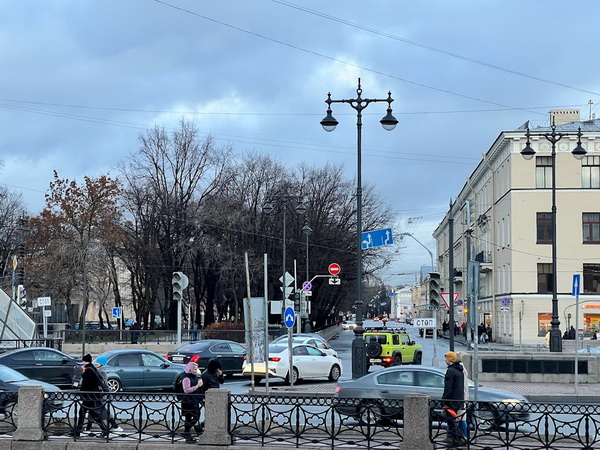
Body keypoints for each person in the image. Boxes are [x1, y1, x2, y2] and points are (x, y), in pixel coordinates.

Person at [82, 356, 123, 434]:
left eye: (98, 362)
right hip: (99, 394)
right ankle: (88, 427)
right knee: (93, 410)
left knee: (101, 411)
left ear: (101, 364)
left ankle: (115, 426)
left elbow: (104, 384)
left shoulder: (101, 371)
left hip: (101, 395)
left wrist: (107, 393)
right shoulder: (99, 370)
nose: (96, 363)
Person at [75, 354, 109, 437]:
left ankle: (104, 430)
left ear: (86, 361)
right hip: (91, 395)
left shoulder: (89, 370)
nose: (83, 362)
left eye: (83, 361)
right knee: (84, 412)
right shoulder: (92, 369)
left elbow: (87, 384)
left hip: (89, 396)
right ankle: (77, 431)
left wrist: (81, 392)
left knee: (91, 413)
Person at [442, 351, 465, 448]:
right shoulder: (460, 370)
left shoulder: (450, 371)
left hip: (451, 400)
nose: (445, 360)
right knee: (454, 420)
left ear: (450, 360)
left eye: (446, 358)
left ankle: (455, 441)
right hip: (458, 399)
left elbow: (448, 387)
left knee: (451, 421)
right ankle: (459, 438)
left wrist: (444, 401)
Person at [180, 360, 204, 443]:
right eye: (194, 369)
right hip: (188, 401)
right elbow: (186, 390)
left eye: (196, 369)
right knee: (191, 416)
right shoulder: (186, 378)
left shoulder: (195, 377)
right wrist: (197, 386)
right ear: (190, 369)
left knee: (193, 417)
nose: (196, 370)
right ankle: (187, 433)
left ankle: (187, 433)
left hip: (193, 400)